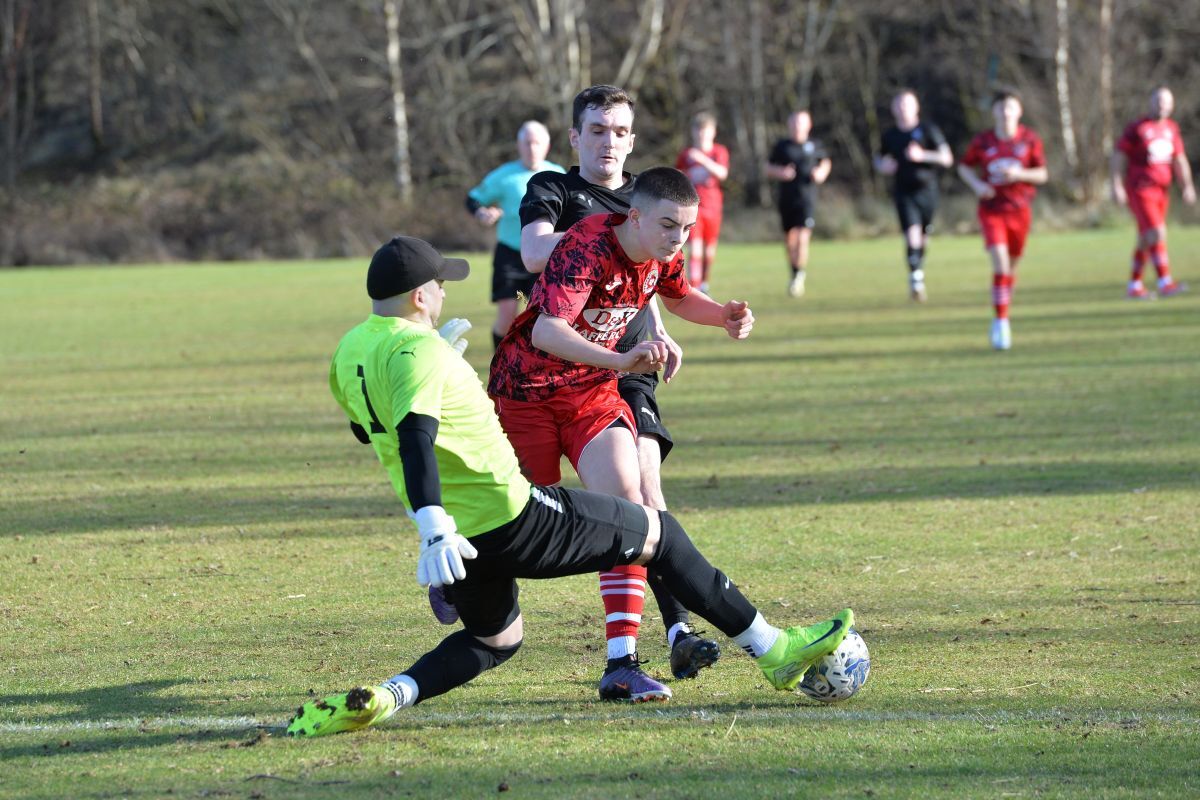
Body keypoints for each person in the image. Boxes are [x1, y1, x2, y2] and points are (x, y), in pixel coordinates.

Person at [286, 234, 854, 737]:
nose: (443, 294)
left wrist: (447, 386)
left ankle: (389, 695)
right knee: (661, 533)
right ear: (419, 297)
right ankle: (773, 649)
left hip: (463, 541)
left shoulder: (350, 350)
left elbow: (370, 431)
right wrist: (432, 522)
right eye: (440, 285)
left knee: (494, 642)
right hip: (506, 515)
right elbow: (413, 436)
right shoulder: (421, 351)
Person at [494, 167, 754, 701]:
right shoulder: (585, 244)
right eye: (667, 227)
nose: (677, 239)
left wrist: (721, 314)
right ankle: (456, 575)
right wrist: (619, 356)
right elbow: (546, 329)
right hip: (527, 393)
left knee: (630, 510)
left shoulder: (662, 250)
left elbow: (679, 297)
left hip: (591, 394)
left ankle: (622, 664)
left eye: (685, 229)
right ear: (634, 216)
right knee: (513, 524)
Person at [957, 89, 1048, 351]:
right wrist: (977, 186)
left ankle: (1003, 309)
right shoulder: (984, 141)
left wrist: (1020, 173)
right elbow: (964, 166)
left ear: (1019, 111)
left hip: (1020, 210)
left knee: (1012, 269)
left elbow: (1042, 174)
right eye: (1000, 107)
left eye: (1010, 107)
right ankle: (1001, 322)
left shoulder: (1029, 139)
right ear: (994, 111)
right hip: (992, 210)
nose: (1005, 112)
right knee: (1000, 265)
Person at [466, 121, 565, 349]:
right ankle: (500, 361)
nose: (532, 148)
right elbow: (473, 199)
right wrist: (483, 213)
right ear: (519, 146)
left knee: (542, 316)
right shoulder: (504, 176)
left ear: (546, 146)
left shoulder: (557, 175)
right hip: (510, 252)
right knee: (507, 316)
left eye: (537, 143)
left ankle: (533, 365)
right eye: (527, 143)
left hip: (543, 253)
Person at [1111, 86, 1196, 299]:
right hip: (1140, 189)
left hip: (1162, 191)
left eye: (1166, 102)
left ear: (1172, 105)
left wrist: (1187, 185)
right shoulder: (1138, 128)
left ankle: (1134, 285)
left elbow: (1179, 159)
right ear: (1150, 102)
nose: (1162, 105)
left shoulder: (1171, 129)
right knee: (1158, 233)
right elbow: (1119, 156)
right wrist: (1116, 185)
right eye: (1158, 100)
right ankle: (1165, 282)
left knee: (1146, 237)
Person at [874, 89, 954, 302]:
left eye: (907, 104)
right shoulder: (890, 135)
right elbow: (879, 159)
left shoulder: (928, 129)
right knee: (912, 233)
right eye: (899, 104)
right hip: (903, 191)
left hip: (928, 192)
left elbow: (947, 158)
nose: (903, 108)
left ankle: (918, 271)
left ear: (916, 107)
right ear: (893, 109)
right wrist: (883, 166)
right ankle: (915, 280)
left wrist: (922, 155)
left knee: (923, 238)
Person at [765, 110, 832, 298]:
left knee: (802, 237)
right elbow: (768, 167)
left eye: (801, 123)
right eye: (794, 123)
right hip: (787, 200)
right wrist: (781, 172)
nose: (797, 127)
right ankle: (795, 272)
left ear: (808, 125)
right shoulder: (782, 146)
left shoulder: (815, 145)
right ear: (789, 125)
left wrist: (821, 173)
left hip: (807, 200)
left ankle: (798, 276)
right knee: (790, 240)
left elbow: (826, 162)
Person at [675, 111, 730, 294]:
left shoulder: (718, 152)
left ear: (713, 132)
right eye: (698, 129)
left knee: (709, 251)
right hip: (693, 207)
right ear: (693, 132)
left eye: (706, 130)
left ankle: (704, 283)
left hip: (713, 206)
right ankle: (695, 288)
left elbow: (722, 173)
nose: (702, 133)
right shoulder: (686, 155)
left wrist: (703, 160)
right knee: (695, 248)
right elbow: (677, 178)